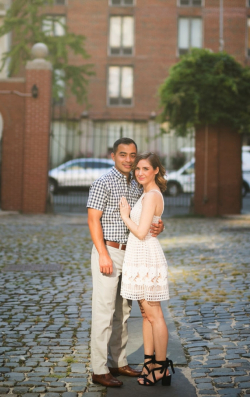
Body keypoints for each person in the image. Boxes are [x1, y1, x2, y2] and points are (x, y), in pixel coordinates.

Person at [87, 138, 164, 388]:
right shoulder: (103, 183)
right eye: (123, 155)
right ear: (113, 156)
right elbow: (92, 221)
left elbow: (147, 214)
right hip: (109, 251)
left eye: (133, 155)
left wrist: (159, 225)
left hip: (132, 254)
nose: (129, 160)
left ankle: (117, 362)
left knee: (123, 312)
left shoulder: (136, 183)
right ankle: (99, 369)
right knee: (104, 312)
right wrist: (103, 254)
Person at [119, 153, 174, 386]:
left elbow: (141, 233)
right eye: (138, 169)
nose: (140, 172)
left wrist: (124, 216)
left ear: (156, 171)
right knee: (145, 315)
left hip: (146, 257)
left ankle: (161, 367)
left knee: (155, 314)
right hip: (139, 256)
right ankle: (149, 362)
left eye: (145, 168)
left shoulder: (151, 195)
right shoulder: (146, 194)